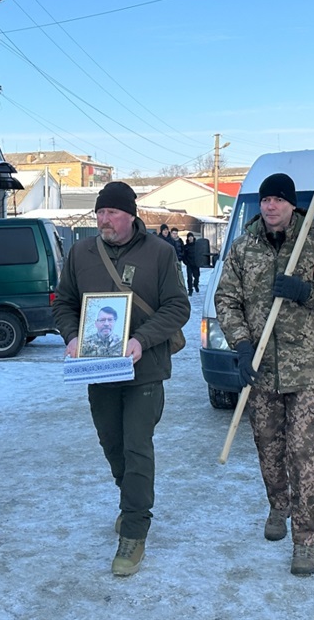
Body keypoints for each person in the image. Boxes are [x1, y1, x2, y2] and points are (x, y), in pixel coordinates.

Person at [213, 173, 314, 576]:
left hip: (308, 372)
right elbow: (226, 299)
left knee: (304, 457)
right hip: (262, 371)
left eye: (278, 199)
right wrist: (241, 346)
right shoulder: (243, 247)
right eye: (265, 200)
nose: (270, 206)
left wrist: (305, 291)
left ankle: (305, 542)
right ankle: (279, 505)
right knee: (269, 450)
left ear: (292, 205)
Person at [52, 181, 190, 577]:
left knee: (136, 446)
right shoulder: (81, 253)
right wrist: (73, 336)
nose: (104, 220)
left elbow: (177, 306)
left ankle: (134, 529)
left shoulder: (160, 253)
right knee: (112, 443)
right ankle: (131, 500)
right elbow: (64, 303)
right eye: (100, 213)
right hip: (99, 369)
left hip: (144, 368)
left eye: (111, 212)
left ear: (131, 215)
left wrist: (141, 340)